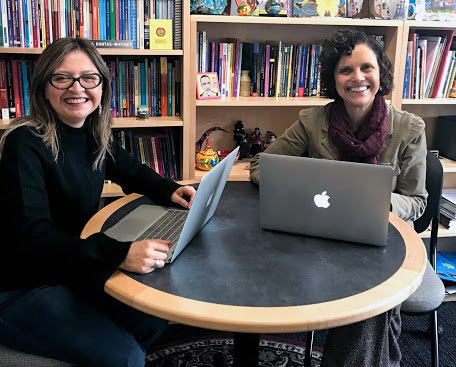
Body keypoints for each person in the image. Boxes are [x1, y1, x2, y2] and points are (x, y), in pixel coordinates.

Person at [0, 38, 196, 367]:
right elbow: (33, 238)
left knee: (153, 319)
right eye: (62, 77)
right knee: (128, 357)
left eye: (89, 78)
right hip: (23, 285)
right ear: (44, 87)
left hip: (70, 266)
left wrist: (170, 189)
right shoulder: (25, 142)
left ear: (102, 85)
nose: (77, 88)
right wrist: (118, 254)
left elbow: (130, 170)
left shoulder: (91, 132)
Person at [250, 29, 435, 367]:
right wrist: (296, 188)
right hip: (321, 234)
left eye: (367, 67)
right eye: (345, 70)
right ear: (332, 79)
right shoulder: (312, 120)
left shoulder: (409, 129)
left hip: (381, 238)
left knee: (368, 306)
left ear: (381, 74)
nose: (357, 78)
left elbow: (417, 201)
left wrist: (376, 202)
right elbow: (261, 166)